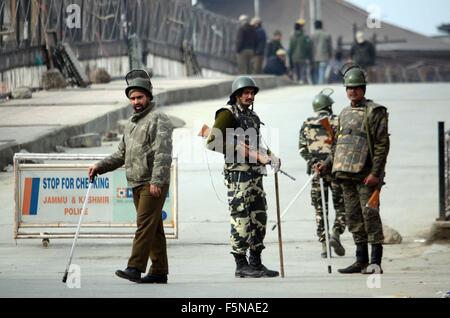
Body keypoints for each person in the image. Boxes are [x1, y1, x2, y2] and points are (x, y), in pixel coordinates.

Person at [88, 71, 173, 284]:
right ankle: (159, 271)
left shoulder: (158, 119)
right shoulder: (132, 124)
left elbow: (163, 153)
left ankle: (134, 267)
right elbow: (121, 154)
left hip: (151, 183)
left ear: (149, 97)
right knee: (154, 228)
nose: (136, 102)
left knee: (144, 225)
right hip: (136, 182)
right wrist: (100, 166)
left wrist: (156, 181)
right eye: (133, 98)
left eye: (140, 97)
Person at [316, 66, 389, 274]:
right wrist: (327, 163)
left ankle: (375, 262)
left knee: (370, 216)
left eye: (356, 88)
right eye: (349, 88)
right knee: (353, 218)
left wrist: (376, 173)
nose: (352, 91)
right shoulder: (344, 113)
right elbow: (338, 146)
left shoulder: (376, 111)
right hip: (345, 175)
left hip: (367, 176)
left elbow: (382, 145)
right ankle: (361, 260)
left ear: (363, 89)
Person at [206, 76, 281, 278]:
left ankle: (256, 262)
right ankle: (241, 264)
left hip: (255, 176)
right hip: (238, 176)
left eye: (251, 93)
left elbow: (257, 143)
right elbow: (212, 142)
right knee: (241, 217)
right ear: (237, 95)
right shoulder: (227, 114)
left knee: (259, 217)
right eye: (245, 93)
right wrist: (245, 152)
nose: (249, 96)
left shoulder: (252, 116)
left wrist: (271, 156)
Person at [299, 89, 346, 258]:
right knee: (342, 207)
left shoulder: (307, 123)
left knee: (320, 210)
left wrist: (314, 163)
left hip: (316, 173)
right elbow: (343, 146)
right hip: (336, 172)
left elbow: (302, 148)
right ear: (329, 106)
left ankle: (324, 246)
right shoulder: (338, 121)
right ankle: (336, 232)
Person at [288, 19, 312, 84]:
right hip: (302, 57)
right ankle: (301, 81)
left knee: (297, 72)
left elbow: (290, 49)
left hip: (294, 58)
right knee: (302, 71)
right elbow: (307, 47)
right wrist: (308, 56)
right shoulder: (304, 36)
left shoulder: (292, 37)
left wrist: (290, 58)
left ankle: (298, 81)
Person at [311, 20, 332, 85]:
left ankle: (316, 83)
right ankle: (320, 84)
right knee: (322, 70)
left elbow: (310, 46)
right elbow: (329, 46)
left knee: (316, 70)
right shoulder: (326, 34)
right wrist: (330, 54)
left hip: (314, 56)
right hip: (324, 56)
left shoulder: (312, 35)